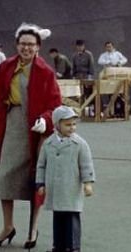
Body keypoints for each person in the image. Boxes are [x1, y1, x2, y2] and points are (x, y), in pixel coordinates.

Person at [0, 23, 62, 249]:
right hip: (11, 124)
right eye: (22, 44)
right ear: (16, 45)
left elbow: (55, 104)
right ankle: (8, 226)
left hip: (35, 131)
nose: (26, 48)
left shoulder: (45, 72)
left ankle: (33, 229)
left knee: (36, 180)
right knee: (5, 177)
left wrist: (44, 121)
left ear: (38, 47)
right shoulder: (5, 68)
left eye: (31, 45)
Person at [36, 105, 95, 252]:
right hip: (55, 190)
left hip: (71, 188)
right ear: (57, 125)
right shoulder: (48, 144)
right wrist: (40, 183)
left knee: (72, 218)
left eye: (74, 124)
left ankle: (73, 246)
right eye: (68, 125)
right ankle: (59, 245)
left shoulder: (80, 144)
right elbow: (41, 165)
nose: (72, 128)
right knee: (58, 218)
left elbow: (86, 164)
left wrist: (88, 183)